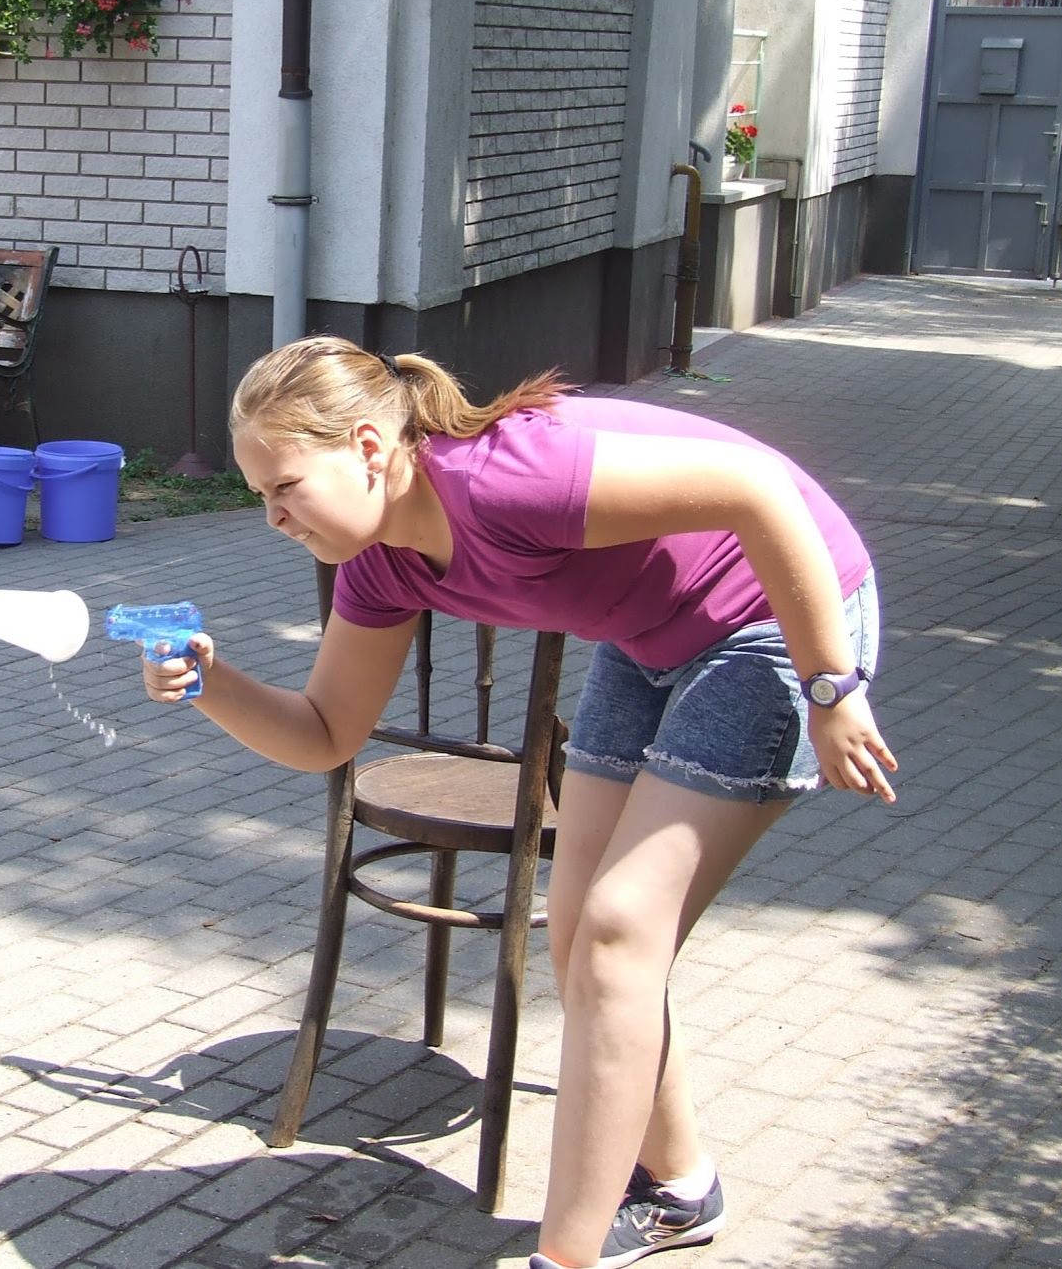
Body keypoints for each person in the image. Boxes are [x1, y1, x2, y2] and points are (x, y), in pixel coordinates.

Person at [138, 336, 897, 1269]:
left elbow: (759, 489)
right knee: (582, 937)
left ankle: (564, 1255)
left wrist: (830, 686)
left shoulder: (505, 480)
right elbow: (326, 732)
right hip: (648, 634)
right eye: (261, 495)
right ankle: (679, 1187)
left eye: (285, 486)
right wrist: (207, 682)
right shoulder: (382, 562)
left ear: (369, 448)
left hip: (777, 618)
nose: (273, 517)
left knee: (618, 931)